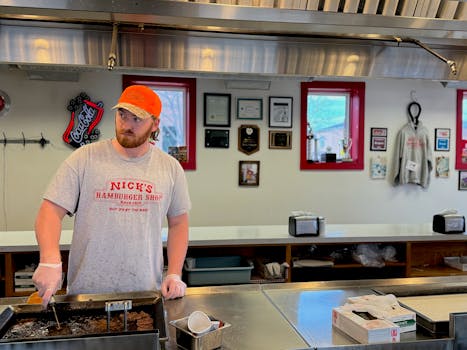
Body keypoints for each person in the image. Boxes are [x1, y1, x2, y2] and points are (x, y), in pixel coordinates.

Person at [32, 85, 191, 306]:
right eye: (122, 115)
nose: (127, 125)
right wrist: (49, 260)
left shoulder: (170, 168)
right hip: (86, 293)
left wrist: (174, 273)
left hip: (144, 293)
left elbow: (178, 223)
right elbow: (50, 211)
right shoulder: (84, 158)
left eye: (137, 119)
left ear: (155, 124)